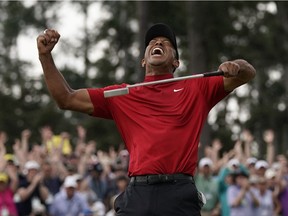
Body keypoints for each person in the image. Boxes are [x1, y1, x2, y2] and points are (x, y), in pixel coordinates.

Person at [37, 23, 256, 216]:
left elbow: (248, 73)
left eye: (165, 42)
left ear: (176, 62)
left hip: (178, 194)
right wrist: (45, 57)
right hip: (138, 194)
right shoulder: (122, 95)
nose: (157, 43)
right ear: (143, 60)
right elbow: (66, 98)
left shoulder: (196, 88)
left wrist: (236, 66)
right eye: (152, 42)